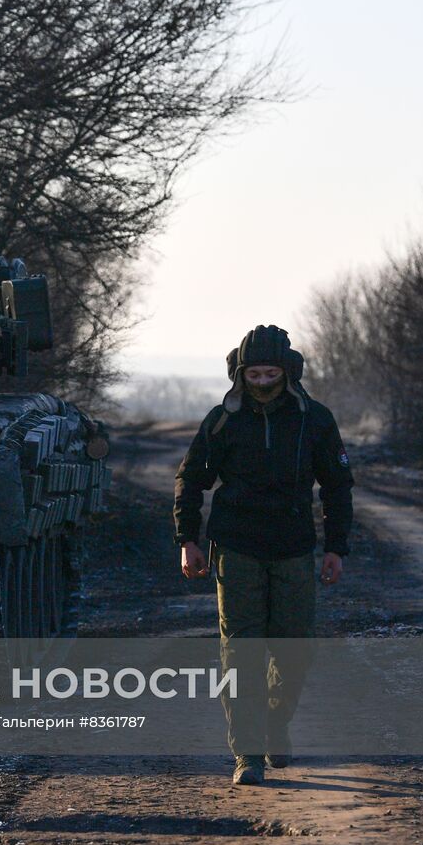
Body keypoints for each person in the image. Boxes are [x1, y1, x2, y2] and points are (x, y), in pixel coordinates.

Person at [173, 324, 354, 785]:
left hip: (294, 547)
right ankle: (248, 754)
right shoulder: (223, 420)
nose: (262, 382)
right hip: (235, 549)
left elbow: (337, 487)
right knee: (241, 654)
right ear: (240, 372)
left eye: (270, 372)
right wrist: (187, 540)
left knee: (295, 652)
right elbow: (190, 480)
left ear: (287, 371)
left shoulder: (314, 419)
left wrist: (336, 548)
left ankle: (276, 725)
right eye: (254, 374)